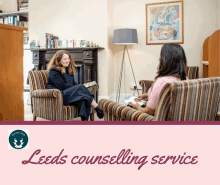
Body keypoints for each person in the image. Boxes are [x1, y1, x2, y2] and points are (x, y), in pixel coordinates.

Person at [130, 43, 188, 116]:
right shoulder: (186, 79)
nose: (159, 59)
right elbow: (170, 98)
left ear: (166, 60)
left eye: (161, 56)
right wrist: (148, 95)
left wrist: (136, 105)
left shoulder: (162, 82)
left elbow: (147, 111)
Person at [46, 50, 104, 121]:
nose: (67, 61)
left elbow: (73, 83)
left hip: (68, 95)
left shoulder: (68, 70)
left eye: (68, 58)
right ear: (58, 60)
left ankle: (85, 120)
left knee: (84, 98)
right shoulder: (54, 71)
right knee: (80, 89)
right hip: (58, 96)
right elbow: (62, 86)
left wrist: (80, 87)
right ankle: (97, 108)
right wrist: (78, 87)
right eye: (64, 59)